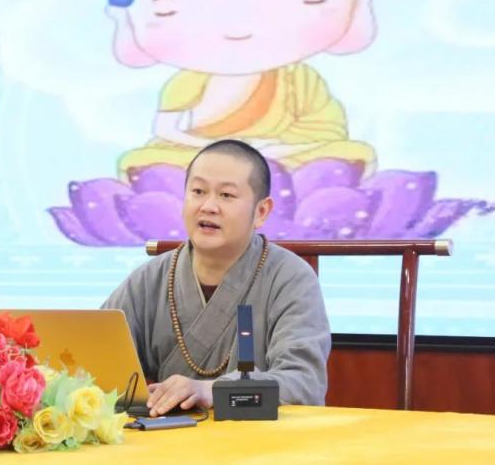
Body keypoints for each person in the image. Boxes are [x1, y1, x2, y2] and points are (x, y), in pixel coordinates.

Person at [104, 0, 383, 177]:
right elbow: (166, 130)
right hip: (200, 154)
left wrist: (280, 147)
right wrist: (216, 147)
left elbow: (324, 128)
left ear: (358, 0)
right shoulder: (188, 82)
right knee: (150, 163)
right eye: (167, 10)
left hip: (283, 153)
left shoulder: (299, 79)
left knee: (349, 155)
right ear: (128, 18)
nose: (238, 27)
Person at [102, 139, 331, 416]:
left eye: (226, 195)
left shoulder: (290, 278)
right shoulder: (150, 278)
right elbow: (95, 362)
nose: (208, 206)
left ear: (261, 212)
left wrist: (212, 391)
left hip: (259, 439)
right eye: (198, 191)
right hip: (168, 437)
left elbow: (304, 385)